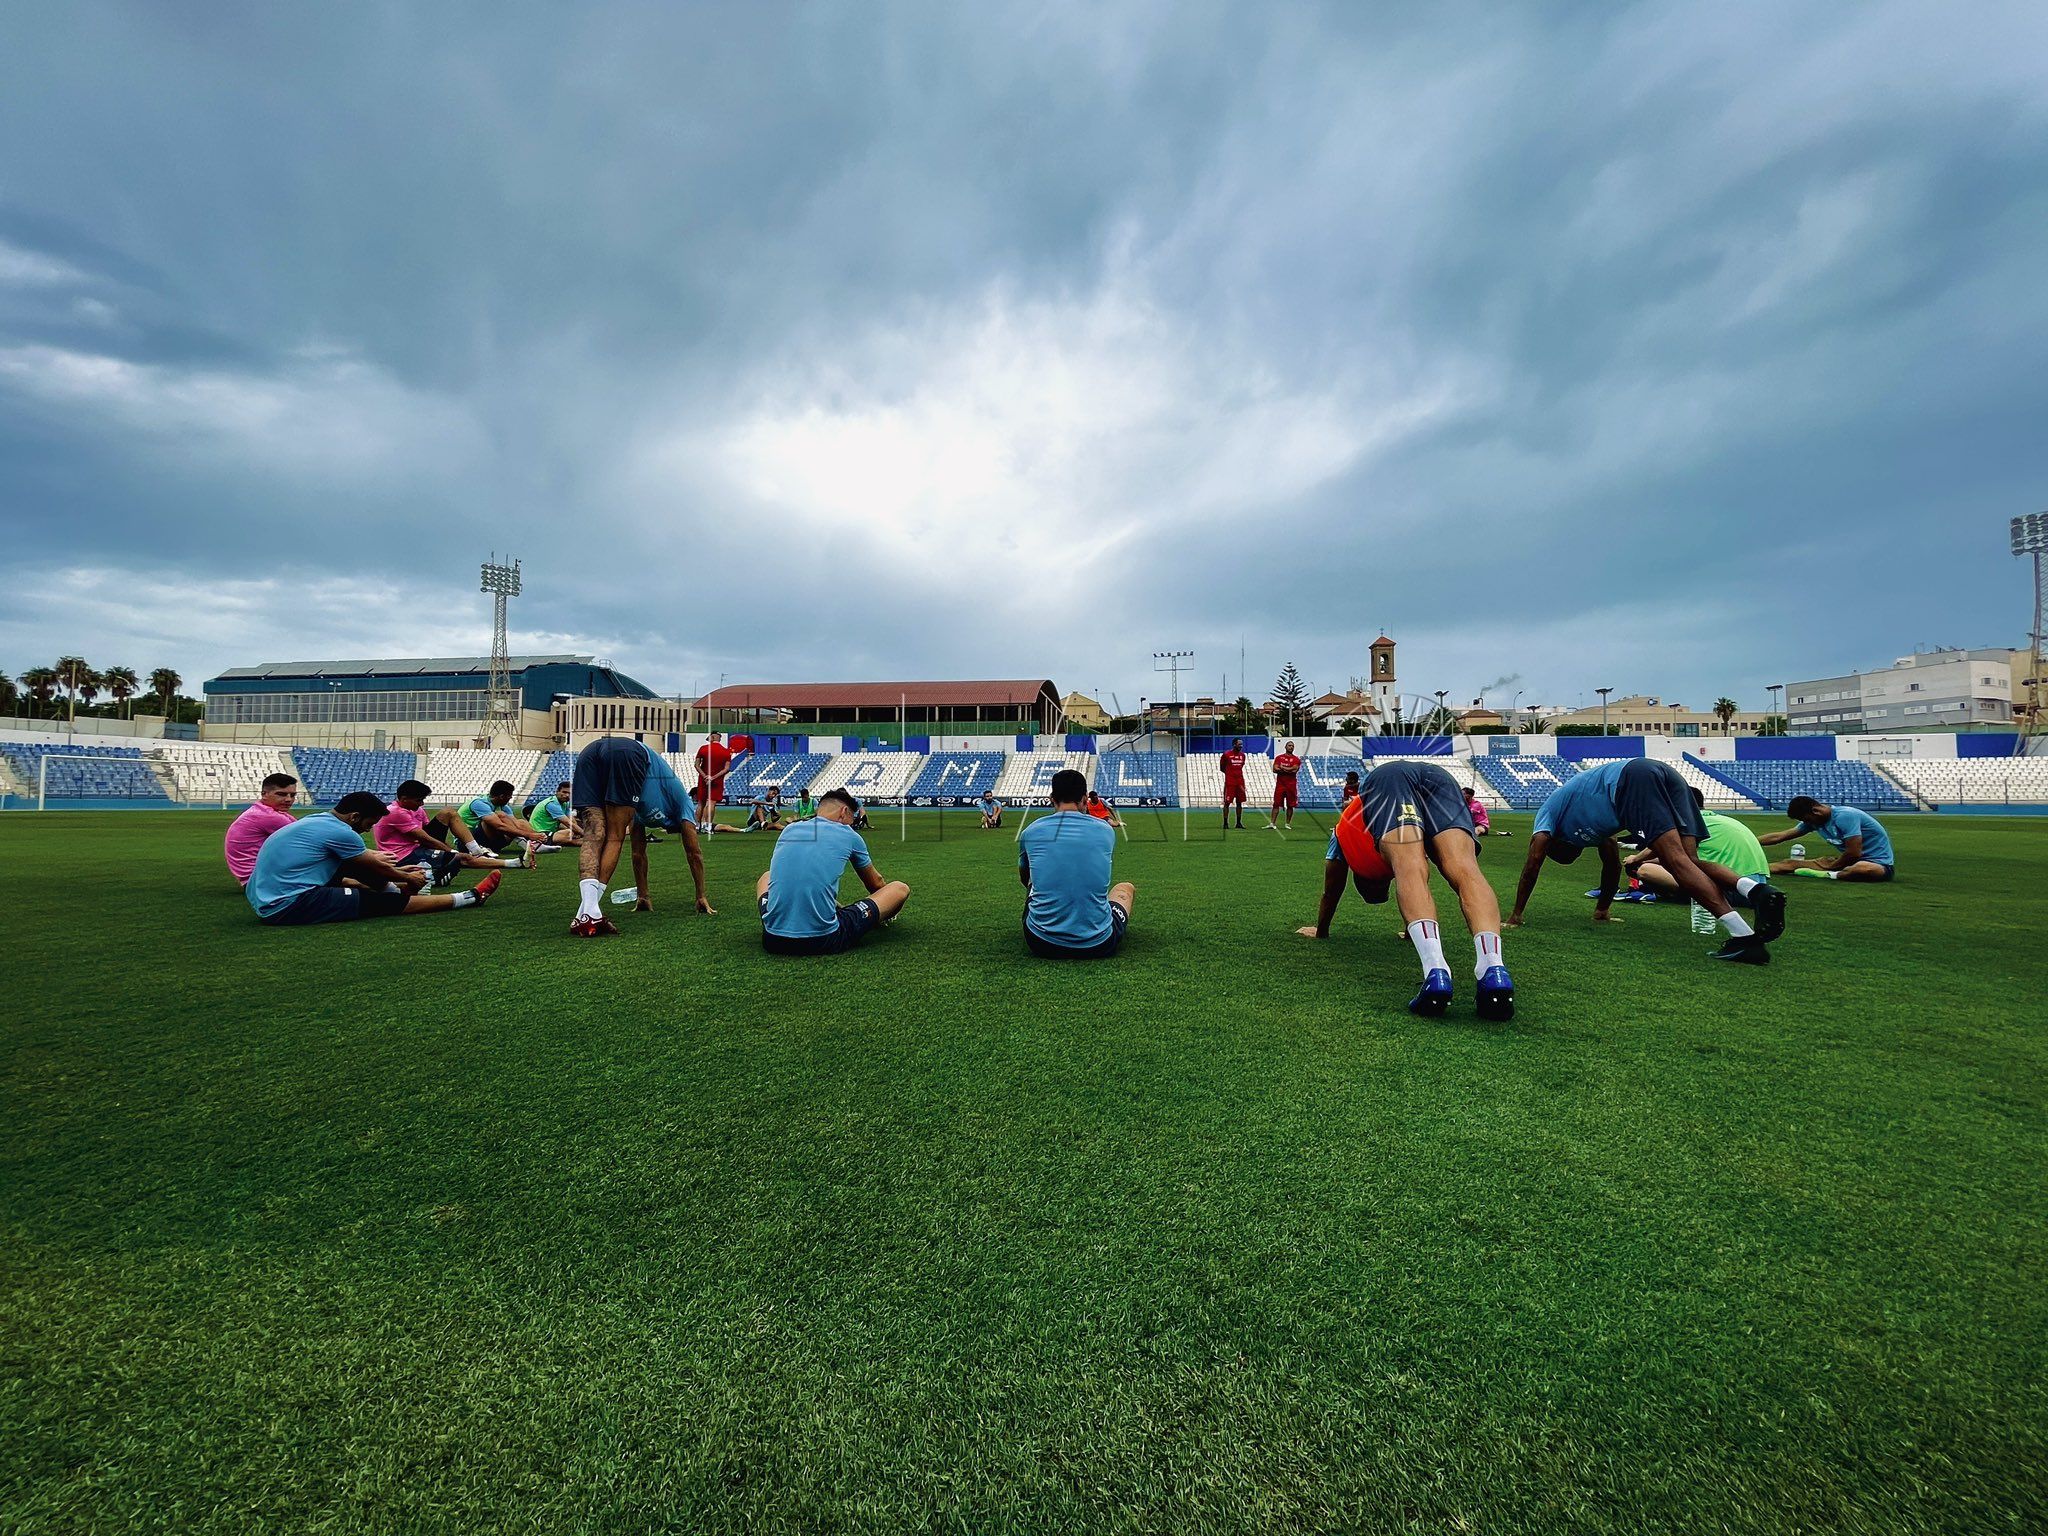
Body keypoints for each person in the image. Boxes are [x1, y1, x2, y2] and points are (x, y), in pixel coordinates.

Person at [1509, 758, 1785, 963]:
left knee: (1675, 861)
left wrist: (1516, 915)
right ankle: (1757, 891)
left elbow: (1532, 867)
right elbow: (1612, 867)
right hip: (1664, 773)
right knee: (1689, 860)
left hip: (1631, 779)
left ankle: (1744, 939)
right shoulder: (1596, 833)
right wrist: (1602, 910)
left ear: (1559, 841)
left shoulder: (1546, 821)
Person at [1354, 759, 1514, 1019]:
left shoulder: (1349, 823)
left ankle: (1436, 971)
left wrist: (1321, 928)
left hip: (1388, 777)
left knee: (1409, 864)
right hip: (1439, 776)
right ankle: (1493, 968)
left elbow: (1337, 861)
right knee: (1466, 869)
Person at [246, 791, 501, 925]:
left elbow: (364, 863)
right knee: (377, 904)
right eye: (369, 823)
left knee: (355, 867)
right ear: (355, 817)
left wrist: (398, 877)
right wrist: (407, 877)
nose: (369, 830)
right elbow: (369, 864)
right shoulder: (342, 832)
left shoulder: (318, 820)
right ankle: (469, 898)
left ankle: (396, 891)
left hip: (266, 897)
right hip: (287, 905)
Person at [569, 736, 713, 936]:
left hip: (590, 751)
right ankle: (591, 913)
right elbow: (694, 853)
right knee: (614, 837)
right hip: (630, 752)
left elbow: (638, 853)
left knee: (593, 834)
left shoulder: (639, 811)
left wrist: (643, 894)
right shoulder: (683, 804)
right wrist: (700, 895)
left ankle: (584, 914)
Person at [757, 788, 909, 954]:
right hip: (823, 939)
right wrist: (885, 911)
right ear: (844, 812)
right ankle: (834, 915)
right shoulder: (849, 834)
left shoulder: (789, 829)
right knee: (899, 888)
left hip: (772, 938)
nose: (852, 824)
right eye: (852, 818)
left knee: (766, 876)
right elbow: (875, 884)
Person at [1019, 768, 1135, 958]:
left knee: (1034, 877)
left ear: (1052, 799)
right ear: (1084, 799)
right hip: (1098, 943)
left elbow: (1024, 878)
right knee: (1125, 888)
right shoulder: (1105, 830)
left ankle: (1049, 917)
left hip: (1040, 941)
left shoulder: (1031, 831)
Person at [1627, 788, 1778, 910]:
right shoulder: (1723, 820)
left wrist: (1635, 859)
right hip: (1757, 887)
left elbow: (1658, 851)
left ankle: (1685, 895)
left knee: (1646, 869)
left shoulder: (1688, 823)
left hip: (1733, 891)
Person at [376, 780, 528, 884]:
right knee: (459, 858)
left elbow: (432, 835)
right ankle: (513, 862)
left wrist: (447, 850)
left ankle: (475, 852)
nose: (422, 803)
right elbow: (426, 839)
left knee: (448, 814)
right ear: (403, 799)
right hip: (404, 855)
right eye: (418, 800)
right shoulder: (395, 812)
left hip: (417, 847)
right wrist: (450, 851)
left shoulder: (417, 810)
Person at [1298, 770, 1378, 939]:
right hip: (1369, 828)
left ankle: (1322, 930)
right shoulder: (1395, 851)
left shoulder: (1344, 836)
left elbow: (1331, 892)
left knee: (1332, 887)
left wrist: (1321, 931)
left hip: (1349, 832)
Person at [1758, 797, 1896, 881]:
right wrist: (1750, 840)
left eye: (1806, 819)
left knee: (1861, 868)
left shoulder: (1845, 816)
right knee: (1788, 864)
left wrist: (1828, 866)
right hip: (1843, 863)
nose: (1806, 823)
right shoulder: (1814, 821)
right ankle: (1751, 870)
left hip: (1877, 865)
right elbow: (1780, 836)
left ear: (1815, 811)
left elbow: (1854, 853)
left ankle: (1826, 874)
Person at [224, 771, 300, 886]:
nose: (289, 799)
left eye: (292, 795)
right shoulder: (268, 816)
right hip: (260, 882)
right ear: (264, 794)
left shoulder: (264, 811)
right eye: (281, 794)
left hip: (255, 878)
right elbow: (308, 839)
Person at [457, 780, 555, 858]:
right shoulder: (479, 803)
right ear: (502, 796)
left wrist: (534, 835)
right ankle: (532, 844)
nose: (511, 798)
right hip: (469, 842)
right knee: (499, 815)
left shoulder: (503, 805)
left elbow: (516, 824)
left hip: (493, 841)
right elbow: (499, 826)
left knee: (520, 822)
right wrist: (529, 835)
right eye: (509, 796)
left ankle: (536, 843)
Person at [694, 732, 734, 828]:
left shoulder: (703, 749)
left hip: (703, 781)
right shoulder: (726, 751)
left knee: (701, 803)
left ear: (711, 737)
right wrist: (713, 777)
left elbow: (696, 765)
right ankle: (707, 826)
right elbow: (727, 769)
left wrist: (705, 776)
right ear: (719, 739)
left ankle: (697, 825)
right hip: (717, 781)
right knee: (711, 803)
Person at [528, 781, 581, 846]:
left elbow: (572, 821)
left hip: (551, 831)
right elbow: (568, 823)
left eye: (570, 793)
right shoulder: (552, 804)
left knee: (574, 828)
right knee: (569, 832)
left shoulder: (565, 803)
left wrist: (577, 832)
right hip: (540, 834)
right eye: (564, 792)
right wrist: (584, 834)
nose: (567, 795)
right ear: (557, 791)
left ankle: (570, 841)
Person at [1268, 740, 1302, 829]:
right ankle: (1272, 823)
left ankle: (1287, 824)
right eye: (1289, 745)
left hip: (1291, 785)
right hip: (1280, 785)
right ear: (1285, 747)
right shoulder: (1279, 758)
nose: (1291, 747)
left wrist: (1282, 768)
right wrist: (1289, 769)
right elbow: (1275, 769)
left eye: (1292, 746)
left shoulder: (1296, 759)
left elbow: (1295, 770)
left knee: (1290, 805)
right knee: (1276, 804)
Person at [1219, 738, 1249, 828]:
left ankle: (1238, 823)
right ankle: (1225, 823)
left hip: (1240, 782)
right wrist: (1230, 774)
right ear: (1234, 745)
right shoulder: (1226, 754)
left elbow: (1241, 766)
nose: (1241, 746)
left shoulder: (1243, 755)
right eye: (1239, 744)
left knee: (1240, 802)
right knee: (1227, 802)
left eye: (1241, 744)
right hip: (1230, 782)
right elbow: (1222, 768)